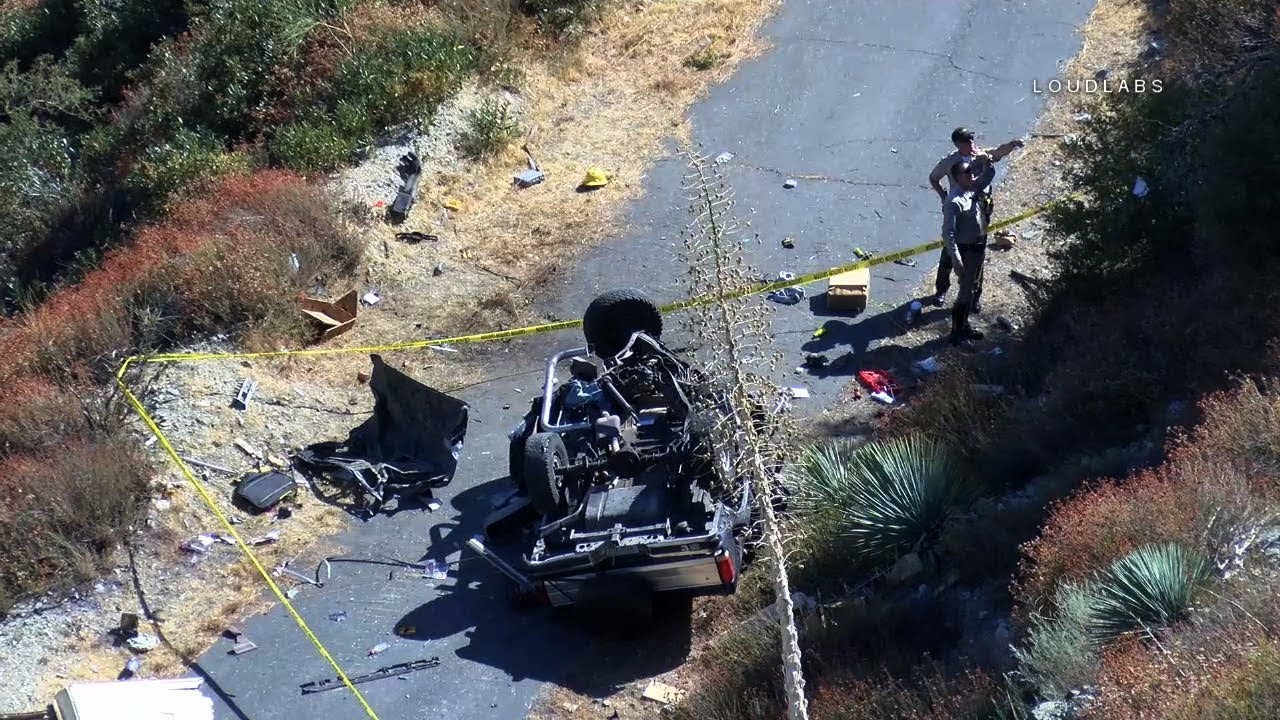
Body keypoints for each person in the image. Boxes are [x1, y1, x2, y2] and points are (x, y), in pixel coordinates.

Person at [928, 127, 1023, 312]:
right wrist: (943, 196)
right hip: (959, 211)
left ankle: (975, 295)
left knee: (977, 256)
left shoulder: (980, 155)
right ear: (958, 145)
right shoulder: (949, 162)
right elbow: (933, 178)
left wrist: (1012, 145)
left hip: (979, 211)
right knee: (949, 252)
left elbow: (998, 152)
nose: (972, 144)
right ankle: (941, 290)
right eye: (967, 142)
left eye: (972, 140)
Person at [941, 156, 996, 346]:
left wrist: (987, 162)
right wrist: (956, 261)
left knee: (971, 288)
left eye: (971, 173)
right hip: (966, 251)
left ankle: (964, 326)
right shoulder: (953, 201)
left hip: (977, 247)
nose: (972, 176)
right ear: (957, 178)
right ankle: (957, 332)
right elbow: (948, 233)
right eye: (967, 174)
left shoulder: (972, 188)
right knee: (965, 292)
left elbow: (988, 176)